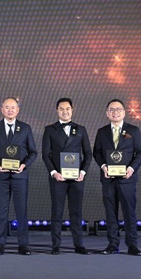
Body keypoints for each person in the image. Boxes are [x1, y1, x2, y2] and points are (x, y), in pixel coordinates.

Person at [0, 97, 38, 255]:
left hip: (20, 176)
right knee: (1, 211)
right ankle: (0, 244)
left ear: (18, 110)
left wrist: (23, 165)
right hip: (1, 176)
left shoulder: (25, 128)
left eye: (13, 107)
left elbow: (33, 152)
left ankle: (23, 245)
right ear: (2, 109)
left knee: (21, 211)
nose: (10, 110)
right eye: (7, 107)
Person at [93, 99, 141, 256]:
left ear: (124, 112)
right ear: (107, 113)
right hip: (108, 179)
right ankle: (112, 244)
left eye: (118, 109)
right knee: (110, 213)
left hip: (127, 179)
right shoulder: (102, 132)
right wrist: (103, 166)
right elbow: (97, 152)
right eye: (112, 110)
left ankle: (132, 245)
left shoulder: (133, 131)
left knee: (129, 212)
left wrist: (131, 169)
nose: (115, 112)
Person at [41, 98, 92, 255]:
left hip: (76, 178)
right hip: (58, 178)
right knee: (57, 211)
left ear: (72, 110)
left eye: (68, 108)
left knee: (76, 212)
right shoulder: (50, 130)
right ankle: (56, 245)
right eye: (62, 109)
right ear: (57, 110)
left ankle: (79, 245)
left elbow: (88, 154)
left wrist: (82, 172)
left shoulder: (81, 129)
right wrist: (54, 173)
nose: (65, 111)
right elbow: (45, 154)